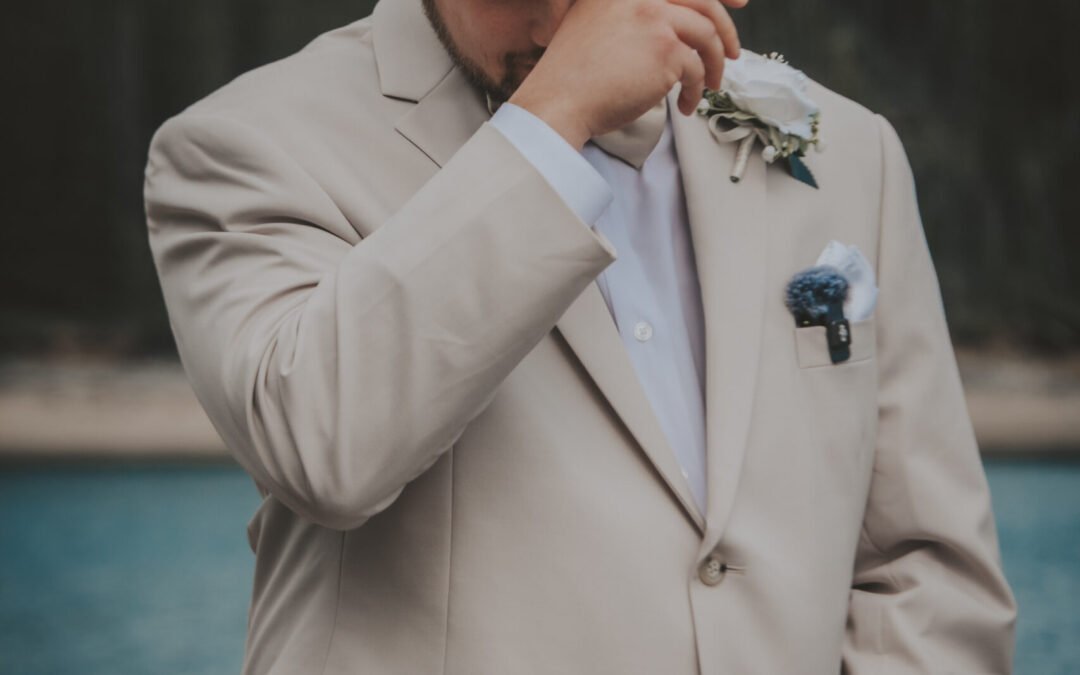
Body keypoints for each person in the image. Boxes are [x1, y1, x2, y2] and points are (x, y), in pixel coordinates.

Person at [143, 0, 1017, 672]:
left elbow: (929, 571)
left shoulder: (848, 151)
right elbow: (320, 445)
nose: (558, 22)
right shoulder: (244, 144)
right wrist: (553, 117)